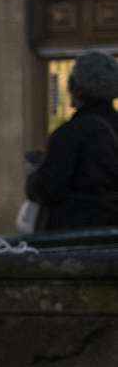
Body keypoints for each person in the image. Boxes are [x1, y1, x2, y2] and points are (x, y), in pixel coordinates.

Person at [27, 50, 118, 231]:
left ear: (74, 87)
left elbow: (48, 188)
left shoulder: (69, 134)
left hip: (76, 239)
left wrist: (35, 176)